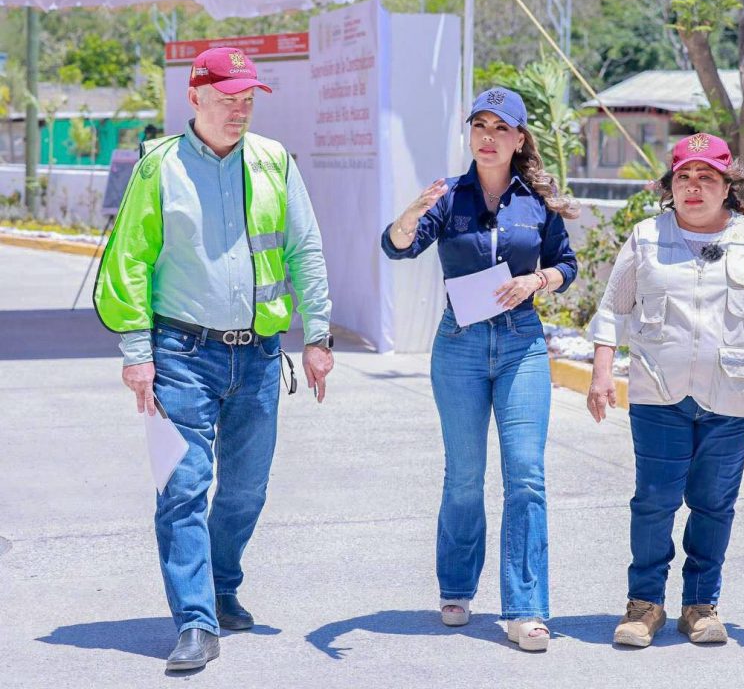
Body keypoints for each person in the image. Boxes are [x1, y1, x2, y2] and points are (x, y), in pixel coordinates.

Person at [94, 46, 334, 671]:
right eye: (227, 99)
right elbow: (130, 263)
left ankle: (223, 586)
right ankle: (196, 621)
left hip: (257, 356)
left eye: (247, 99)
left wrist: (318, 335)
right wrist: (136, 351)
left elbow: (304, 248)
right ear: (194, 97)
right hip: (180, 354)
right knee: (182, 489)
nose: (239, 110)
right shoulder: (158, 168)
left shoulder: (274, 160)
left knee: (245, 492)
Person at [586, 132, 744, 648]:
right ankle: (644, 605)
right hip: (658, 393)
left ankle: (700, 605)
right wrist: (602, 373)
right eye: (683, 178)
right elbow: (614, 308)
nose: (693, 188)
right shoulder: (646, 236)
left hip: (732, 395)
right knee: (654, 501)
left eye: (706, 178)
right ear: (670, 187)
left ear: (728, 186)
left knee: (714, 503)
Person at [381, 87, 577, 652]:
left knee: (526, 476)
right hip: (460, 347)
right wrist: (413, 210)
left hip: (521, 346)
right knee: (464, 477)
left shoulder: (535, 201)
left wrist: (536, 280)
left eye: (500, 128)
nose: (487, 137)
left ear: (519, 139)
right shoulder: (448, 196)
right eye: (479, 126)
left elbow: (566, 264)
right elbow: (397, 248)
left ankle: (526, 609)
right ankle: (457, 587)